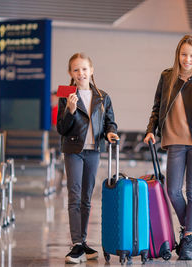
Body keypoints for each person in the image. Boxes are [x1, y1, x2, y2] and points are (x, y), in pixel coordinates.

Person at [144, 34, 192, 260]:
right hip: (175, 140)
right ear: (178, 55)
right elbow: (157, 107)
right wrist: (150, 130)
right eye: (184, 54)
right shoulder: (167, 77)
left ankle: (187, 240)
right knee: (173, 190)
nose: (187, 59)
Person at [57, 52, 118, 264]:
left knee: (86, 199)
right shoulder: (65, 94)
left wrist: (110, 132)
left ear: (91, 70)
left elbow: (110, 122)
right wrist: (71, 111)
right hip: (73, 150)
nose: (80, 73)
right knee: (74, 195)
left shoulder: (103, 96)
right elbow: (61, 129)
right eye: (76, 69)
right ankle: (76, 244)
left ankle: (82, 242)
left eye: (84, 69)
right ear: (70, 73)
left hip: (93, 151)